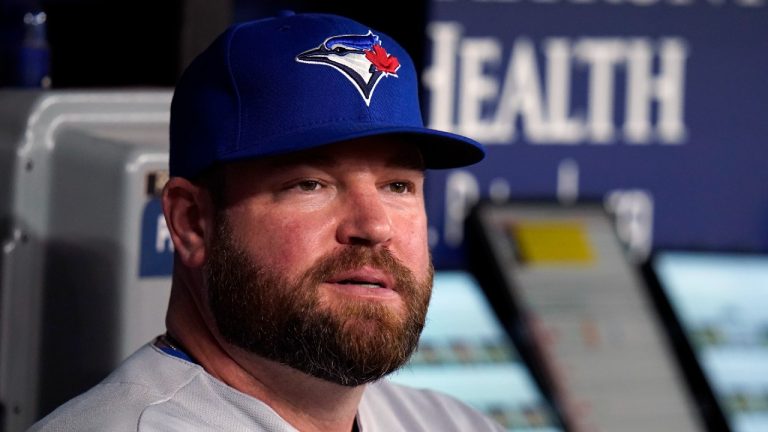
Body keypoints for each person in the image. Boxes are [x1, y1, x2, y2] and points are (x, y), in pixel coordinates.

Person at [30, 11, 503, 432]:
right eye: (310, 184)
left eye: (398, 186)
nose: (374, 226)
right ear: (192, 221)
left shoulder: (456, 422)